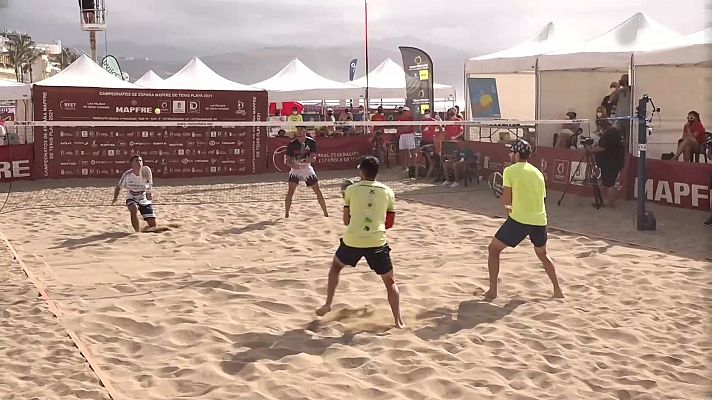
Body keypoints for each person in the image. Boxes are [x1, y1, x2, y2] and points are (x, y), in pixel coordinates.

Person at [316, 156, 404, 328]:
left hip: (353, 241)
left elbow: (346, 221)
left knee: (335, 268)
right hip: (377, 241)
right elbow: (389, 224)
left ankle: (328, 304)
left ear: (361, 171)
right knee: (390, 282)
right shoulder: (388, 192)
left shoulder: (351, 190)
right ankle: (398, 321)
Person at [485, 139, 564, 301]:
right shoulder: (538, 173)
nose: (509, 154)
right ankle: (557, 290)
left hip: (520, 220)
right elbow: (540, 198)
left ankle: (493, 291)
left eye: (511, 152)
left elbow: (507, 201)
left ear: (516, 154)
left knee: (493, 249)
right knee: (543, 254)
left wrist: (504, 202)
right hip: (540, 220)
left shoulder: (510, 171)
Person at [284, 126, 329, 219]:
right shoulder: (292, 144)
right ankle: (286, 214)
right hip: (295, 168)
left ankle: (326, 213)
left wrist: (306, 160)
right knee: (290, 191)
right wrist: (293, 165)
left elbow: (313, 158)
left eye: (301, 131)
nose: (299, 133)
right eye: (298, 131)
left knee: (317, 190)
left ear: (305, 132)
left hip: (306, 167)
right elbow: (288, 161)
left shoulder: (311, 142)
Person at [112, 155, 159, 233]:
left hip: (144, 199)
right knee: (133, 209)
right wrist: (115, 198)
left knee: (153, 227)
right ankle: (137, 232)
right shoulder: (127, 174)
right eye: (137, 161)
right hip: (132, 197)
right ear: (132, 164)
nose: (139, 162)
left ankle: (146, 229)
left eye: (140, 161)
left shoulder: (146, 172)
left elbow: (149, 188)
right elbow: (118, 187)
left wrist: (150, 195)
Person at [593, 120, 625, 207]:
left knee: (610, 183)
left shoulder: (607, 134)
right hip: (617, 160)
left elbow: (602, 148)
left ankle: (610, 203)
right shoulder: (617, 133)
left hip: (610, 162)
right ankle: (607, 201)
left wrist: (592, 148)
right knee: (609, 182)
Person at [397, 106, 417, 178]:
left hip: (409, 135)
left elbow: (409, 128)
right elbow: (399, 128)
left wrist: (405, 128)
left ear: (409, 112)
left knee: (412, 152)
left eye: (406, 111)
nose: (405, 112)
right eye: (404, 111)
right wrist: (404, 128)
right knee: (404, 151)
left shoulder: (411, 118)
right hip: (402, 135)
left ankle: (413, 168)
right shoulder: (400, 118)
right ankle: (405, 167)